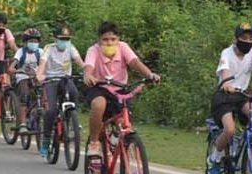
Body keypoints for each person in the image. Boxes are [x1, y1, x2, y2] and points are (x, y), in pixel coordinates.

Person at [83, 21, 160, 159]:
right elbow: (89, 66)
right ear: (99, 41)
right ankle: (94, 143)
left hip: (120, 90)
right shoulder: (93, 50)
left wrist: (149, 74)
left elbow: (135, 62)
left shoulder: (123, 47)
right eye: (105, 40)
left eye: (113, 39)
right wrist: (88, 75)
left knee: (123, 122)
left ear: (118, 40)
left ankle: (116, 140)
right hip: (100, 88)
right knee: (99, 104)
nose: (109, 43)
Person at [207, 22, 252, 174]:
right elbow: (225, 71)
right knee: (229, 129)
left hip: (241, 95)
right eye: (244, 38)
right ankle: (215, 159)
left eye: (251, 38)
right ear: (236, 39)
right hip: (224, 95)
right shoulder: (227, 53)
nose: (248, 42)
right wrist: (226, 83)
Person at [35, 24, 86, 156]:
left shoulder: (71, 48)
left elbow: (80, 61)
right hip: (50, 80)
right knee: (51, 110)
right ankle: (46, 140)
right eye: (62, 38)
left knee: (74, 93)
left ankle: (71, 122)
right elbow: (42, 63)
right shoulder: (49, 49)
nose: (65, 41)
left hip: (65, 79)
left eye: (67, 39)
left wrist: (88, 72)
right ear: (55, 39)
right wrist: (40, 75)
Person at [7, 28, 44, 134]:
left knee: (44, 92)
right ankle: (22, 123)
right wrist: (16, 70)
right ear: (25, 42)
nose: (34, 43)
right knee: (24, 95)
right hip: (22, 77)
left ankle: (41, 113)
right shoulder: (20, 52)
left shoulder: (40, 52)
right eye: (31, 41)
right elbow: (11, 67)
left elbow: (46, 65)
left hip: (36, 77)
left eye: (36, 41)